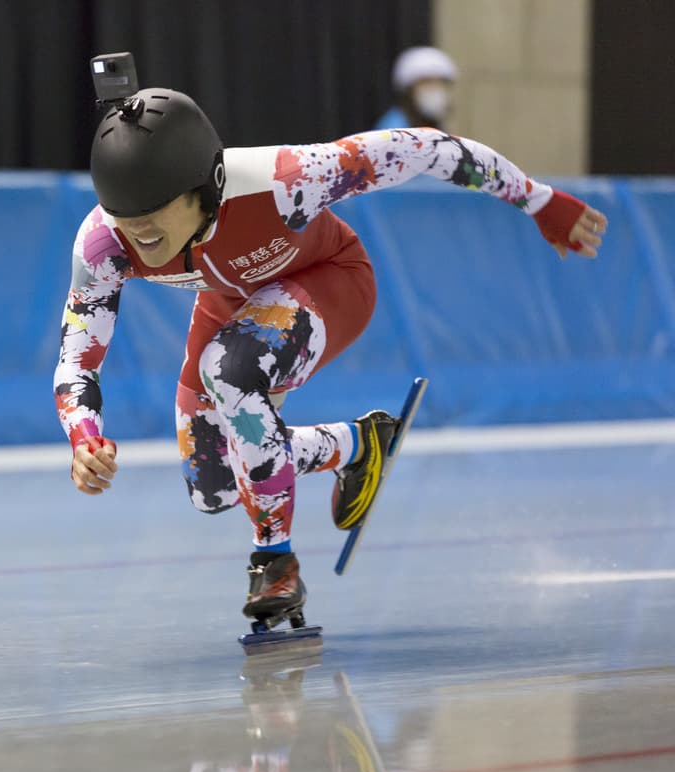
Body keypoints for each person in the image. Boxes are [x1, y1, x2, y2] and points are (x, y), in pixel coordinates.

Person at [53, 85, 607, 627]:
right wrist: (84, 437)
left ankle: (274, 561)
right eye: (123, 215)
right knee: (214, 485)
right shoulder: (104, 244)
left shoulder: (287, 181)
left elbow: (424, 149)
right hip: (229, 305)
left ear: (208, 187)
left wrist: (537, 200)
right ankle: (357, 444)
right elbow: (78, 359)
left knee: (229, 369)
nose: (138, 231)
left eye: (152, 212)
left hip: (329, 280)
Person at [375, 45, 458, 131]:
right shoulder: (394, 128)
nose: (434, 89)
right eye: (426, 82)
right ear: (408, 90)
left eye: (441, 83)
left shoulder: (432, 123)